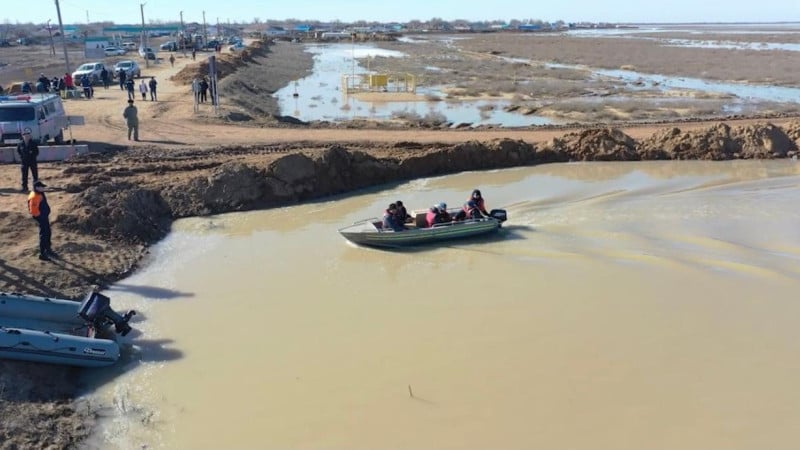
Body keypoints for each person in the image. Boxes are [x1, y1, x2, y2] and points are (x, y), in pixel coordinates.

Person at [28, 180, 54, 261]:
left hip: (44, 217)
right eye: (42, 187)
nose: (43, 188)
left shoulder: (39, 193)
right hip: (41, 218)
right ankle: (42, 254)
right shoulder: (34, 197)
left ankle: (48, 249)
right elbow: (33, 211)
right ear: (37, 188)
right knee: (43, 234)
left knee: (48, 232)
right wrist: (41, 217)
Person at [16, 128, 39, 192]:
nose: (26, 136)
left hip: (32, 161)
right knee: (24, 175)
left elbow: (36, 152)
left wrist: (32, 156)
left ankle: (36, 187)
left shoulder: (33, 143)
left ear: (30, 136)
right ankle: (24, 187)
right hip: (24, 162)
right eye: (24, 135)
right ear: (22, 136)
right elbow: (18, 151)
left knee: (35, 175)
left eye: (27, 135)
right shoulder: (20, 144)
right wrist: (21, 157)